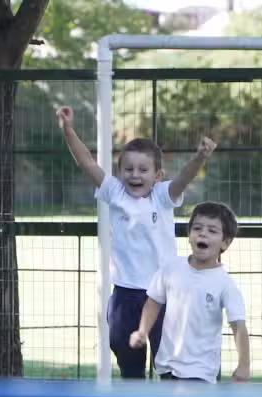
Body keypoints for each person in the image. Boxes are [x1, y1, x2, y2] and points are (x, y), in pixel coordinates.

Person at [57, 105, 216, 379]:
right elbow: (86, 162)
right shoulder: (114, 192)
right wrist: (68, 130)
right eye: (128, 169)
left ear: (157, 176)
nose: (135, 175)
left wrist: (200, 157)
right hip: (125, 295)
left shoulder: (162, 196)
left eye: (143, 169)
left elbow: (184, 178)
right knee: (128, 363)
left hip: (163, 295)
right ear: (120, 173)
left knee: (169, 365)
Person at [130, 201, 250, 397]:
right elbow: (153, 301)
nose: (202, 235)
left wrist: (243, 364)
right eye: (197, 228)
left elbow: (238, 326)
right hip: (169, 362)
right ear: (189, 234)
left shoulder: (225, 284)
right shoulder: (171, 268)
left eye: (211, 231)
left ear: (225, 242)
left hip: (202, 369)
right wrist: (142, 331)